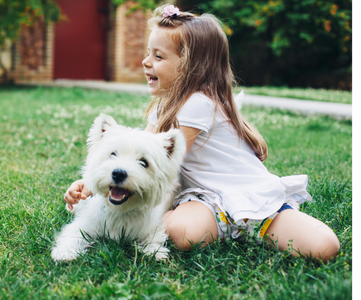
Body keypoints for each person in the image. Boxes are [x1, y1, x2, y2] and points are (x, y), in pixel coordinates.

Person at [63, 5, 340, 262]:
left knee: (324, 247)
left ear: (190, 66)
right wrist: (88, 185)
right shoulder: (165, 107)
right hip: (207, 201)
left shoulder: (198, 103)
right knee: (181, 234)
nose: (146, 62)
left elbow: (160, 166)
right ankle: (224, 228)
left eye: (158, 56)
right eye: (149, 52)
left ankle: (253, 226)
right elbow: (136, 152)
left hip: (248, 195)